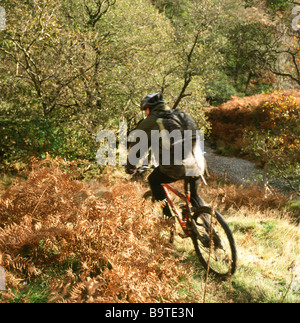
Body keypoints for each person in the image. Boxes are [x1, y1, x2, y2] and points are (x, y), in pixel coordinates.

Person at [126, 93, 206, 218]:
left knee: (153, 180)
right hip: (197, 163)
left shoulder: (152, 121)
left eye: (145, 110)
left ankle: (168, 219)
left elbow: (137, 148)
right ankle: (207, 226)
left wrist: (130, 167)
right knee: (193, 196)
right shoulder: (183, 116)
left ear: (148, 109)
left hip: (175, 166)